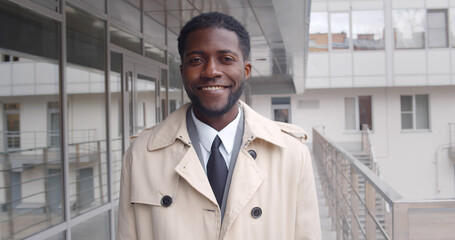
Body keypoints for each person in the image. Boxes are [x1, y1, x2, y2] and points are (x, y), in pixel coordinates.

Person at [117, 12, 321, 239]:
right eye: (196, 60)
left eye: (226, 59)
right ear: (182, 72)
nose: (211, 71)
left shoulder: (292, 154)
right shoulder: (141, 156)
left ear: (246, 71)